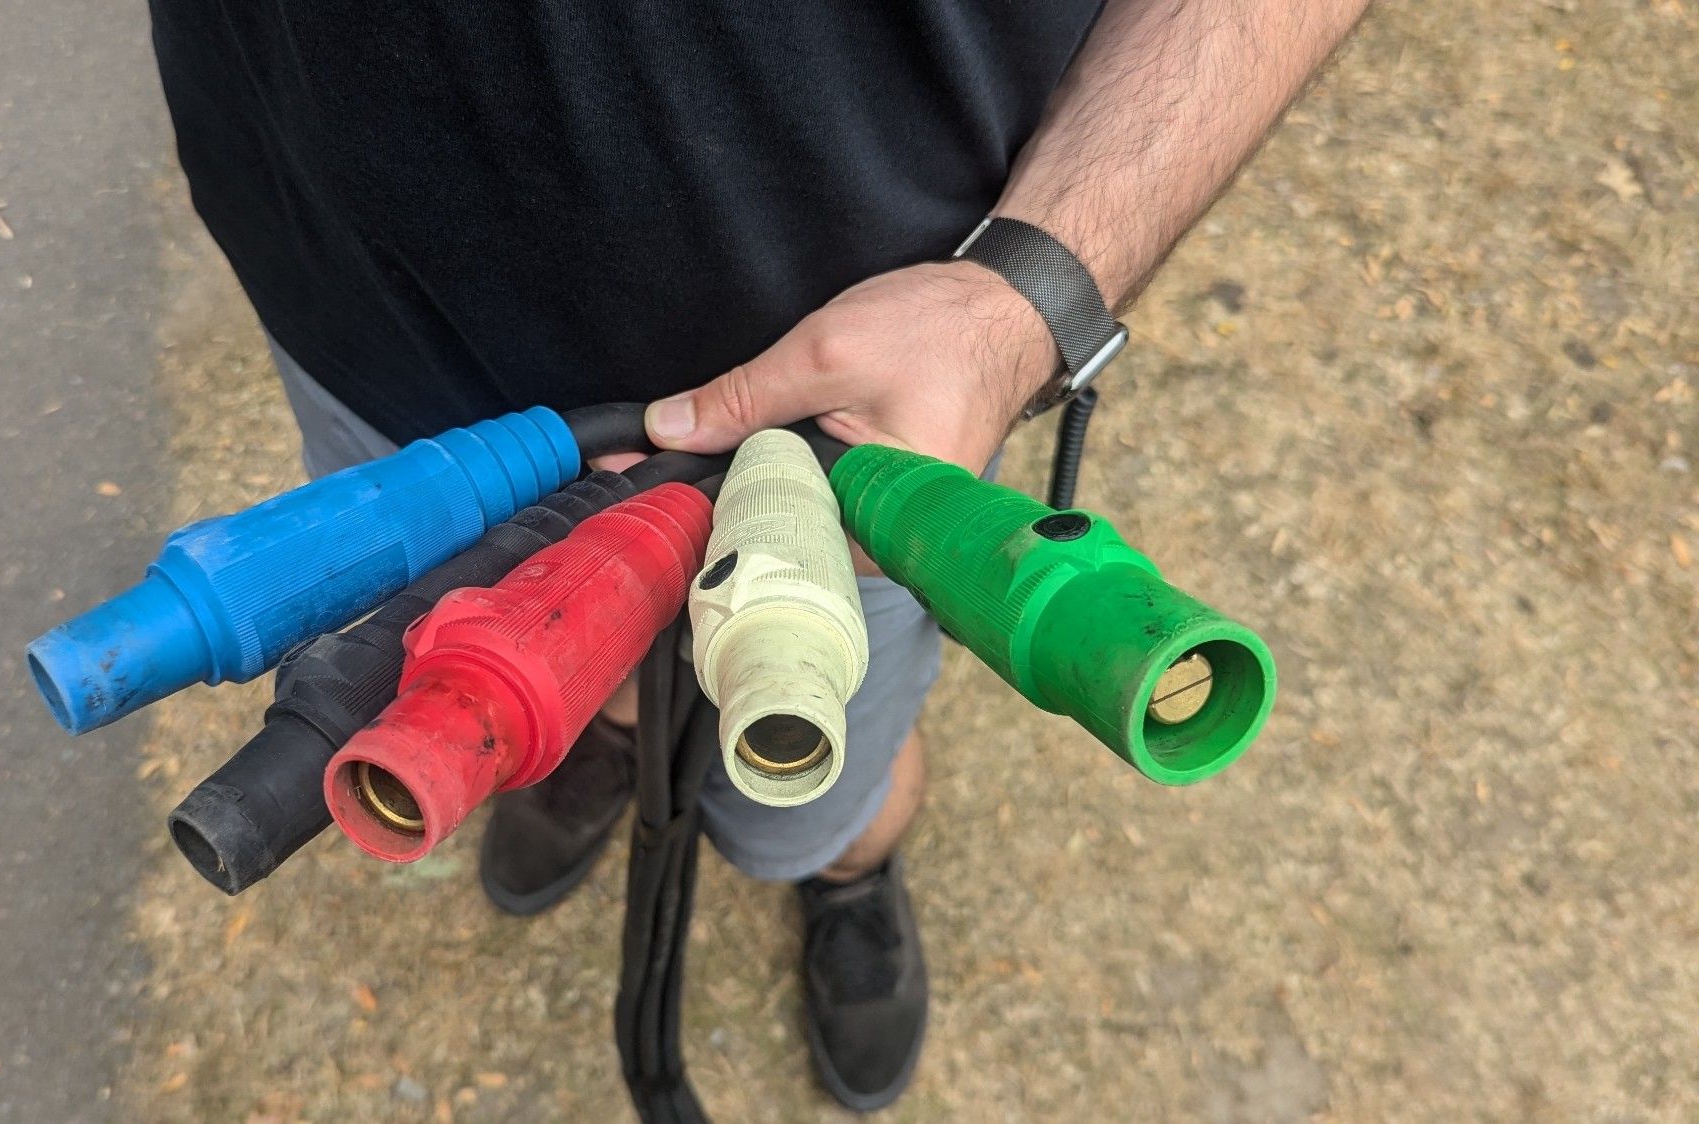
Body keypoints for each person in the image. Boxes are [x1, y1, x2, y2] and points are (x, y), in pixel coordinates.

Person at [148, 1, 1367, 1109]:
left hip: (851, 405)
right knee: (503, 670)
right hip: (364, 323)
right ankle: (562, 729)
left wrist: (1024, 297)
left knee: (806, 771)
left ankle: (842, 865)